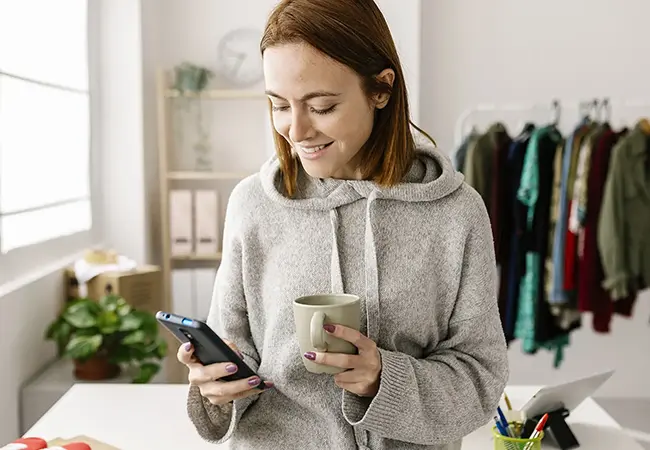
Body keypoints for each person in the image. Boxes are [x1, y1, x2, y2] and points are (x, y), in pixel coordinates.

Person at [177, 0, 509, 448]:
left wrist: (382, 379)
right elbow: (234, 357)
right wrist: (214, 387)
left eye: (322, 106)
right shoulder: (253, 205)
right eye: (278, 105)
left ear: (381, 89)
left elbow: (480, 379)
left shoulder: (455, 212)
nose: (295, 130)